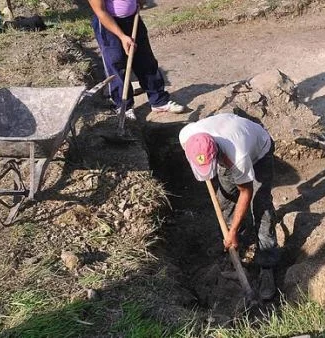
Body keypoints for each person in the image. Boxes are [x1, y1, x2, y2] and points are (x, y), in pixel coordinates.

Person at [179, 113, 279, 300]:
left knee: (261, 206)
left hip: (259, 152)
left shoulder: (238, 157)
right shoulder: (187, 136)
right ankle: (235, 251)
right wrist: (233, 232)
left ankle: (267, 265)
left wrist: (231, 230)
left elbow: (246, 192)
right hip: (226, 145)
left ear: (216, 153)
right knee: (225, 201)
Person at [88, 0, 184, 120]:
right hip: (108, 24)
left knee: (146, 60)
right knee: (116, 64)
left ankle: (159, 101)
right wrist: (122, 37)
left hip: (133, 19)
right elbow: (100, 12)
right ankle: (124, 106)